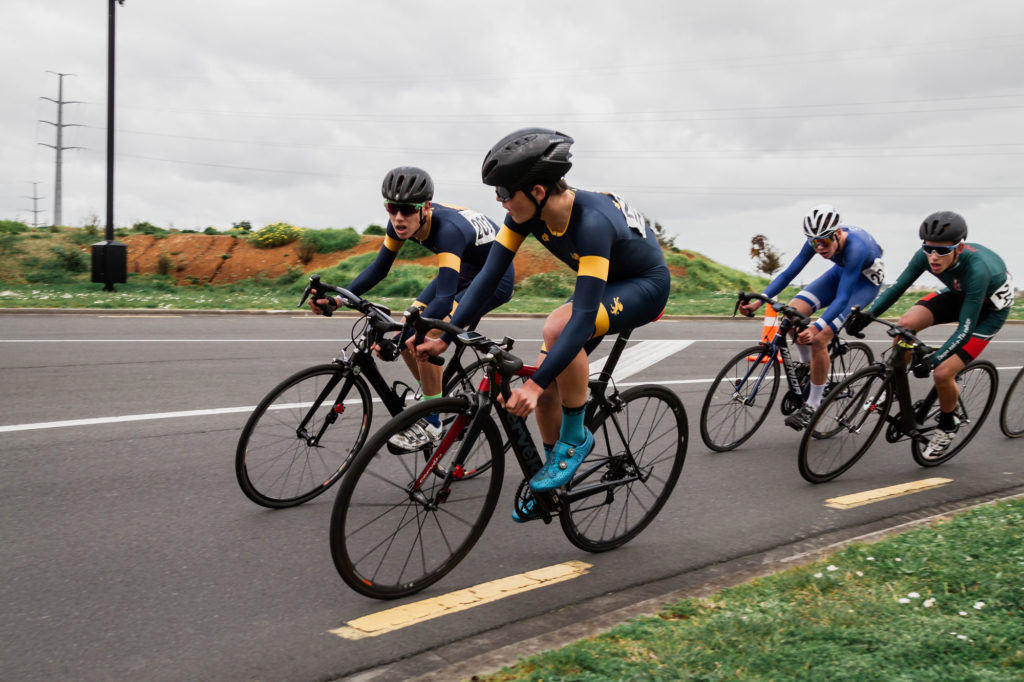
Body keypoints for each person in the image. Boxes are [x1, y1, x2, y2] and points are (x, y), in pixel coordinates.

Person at [414, 128, 671, 508]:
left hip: (643, 285)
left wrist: (531, 389)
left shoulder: (591, 222)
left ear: (536, 191)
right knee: (546, 384)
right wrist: (445, 338)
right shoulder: (525, 215)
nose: (500, 203)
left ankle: (575, 439)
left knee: (558, 329)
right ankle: (553, 478)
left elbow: (581, 319)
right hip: (603, 282)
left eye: (503, 193)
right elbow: (486, 278)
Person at [310, 166, 515, 448]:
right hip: (467, 265)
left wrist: (404, 332)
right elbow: (379, 269)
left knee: (424, 334)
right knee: (409, 337)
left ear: (425, 208)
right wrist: (338, 299)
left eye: (406, 209)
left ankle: (432, 422)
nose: (398, 217)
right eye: (392, 208)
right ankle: (437, 399)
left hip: (496, 277)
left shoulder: (448, 230)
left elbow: (443, 299)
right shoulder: (398, 224)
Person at [846, 210, 1013, 459]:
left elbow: (965, 328)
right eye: (928, 248)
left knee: (943, 373)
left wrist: (934, 360)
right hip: (961, 296)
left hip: (988, 312)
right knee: (905, 325)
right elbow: (899, 287)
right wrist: (868, 316)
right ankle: (893, 387)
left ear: (960, 248)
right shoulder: (925, 256)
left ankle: (948, 425)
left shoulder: (977, 270)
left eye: (942, 251)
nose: (934, 257)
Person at [739, 204, 885, 430]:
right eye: (814, 242)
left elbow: (843, 297)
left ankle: (813, 405)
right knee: (791, 315)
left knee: (819, 339)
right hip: (840, 273)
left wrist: (817, 329)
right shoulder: (818, 241)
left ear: (837, 234)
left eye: (824, 242)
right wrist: (759, 301)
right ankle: (809, 367)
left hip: (862, 284)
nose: (819, 248)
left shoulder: (856, 248)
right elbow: (789, 272)